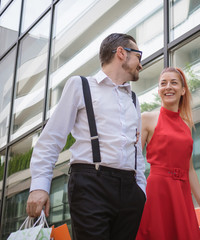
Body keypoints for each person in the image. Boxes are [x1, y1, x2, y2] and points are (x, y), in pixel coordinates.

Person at [26, 33, 146, 240]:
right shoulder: (80, 86)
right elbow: (51, 139)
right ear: (121, 53)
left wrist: (140, 191)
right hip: (91, 185)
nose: (140, 64)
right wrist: (39, 186)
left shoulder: (133, 99)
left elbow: (136, 151)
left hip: (129, 191)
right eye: (138, 56)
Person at [136, 67, 200, 240]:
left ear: (183, 90)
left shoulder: (187, 125)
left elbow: (189, 170)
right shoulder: (147, 118)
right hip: (157, 192)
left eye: (174, 83)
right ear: (159, 90)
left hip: (182, 195)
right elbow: (133, 161)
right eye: (163, 83)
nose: (168, 87)